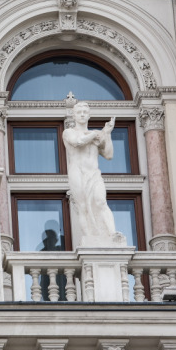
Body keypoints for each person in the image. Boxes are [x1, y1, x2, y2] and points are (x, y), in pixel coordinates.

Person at [62, 102, 125, 247]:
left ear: (89, 115)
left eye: (85, 112)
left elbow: (108, 155)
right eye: (79, 112)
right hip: (77, 173)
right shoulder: (69, 132)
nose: (82, 114)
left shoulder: (97, 134)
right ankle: (89, 238)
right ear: (74, 115)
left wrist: (107, 135)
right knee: (83, 207)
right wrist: (96, 134)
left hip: (94, 173)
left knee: (101, 201)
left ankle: (112, 234)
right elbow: (78, 142)